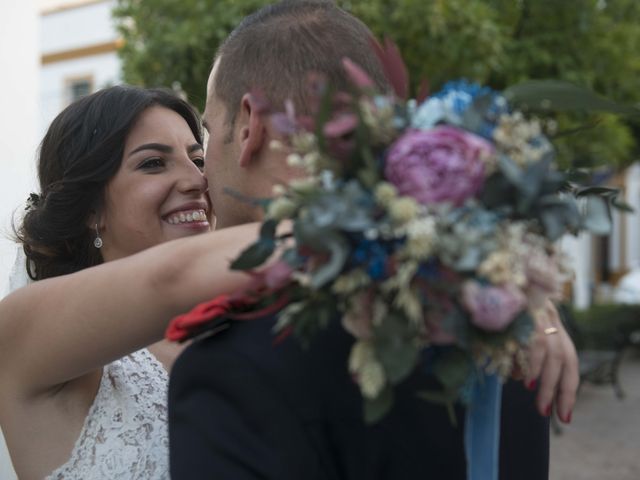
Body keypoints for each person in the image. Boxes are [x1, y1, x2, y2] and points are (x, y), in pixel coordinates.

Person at [169, 1, 578, 479]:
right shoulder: (515, 314)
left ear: (248, 125)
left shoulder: (232, 370)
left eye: (208, 128)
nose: (201, 173)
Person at [0, 85, 264, 479]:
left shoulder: (245, 331)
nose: (197, 181)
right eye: (154, 163)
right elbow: (169, 278)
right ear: (91, 208)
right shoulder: (24, 331)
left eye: (198, 159)